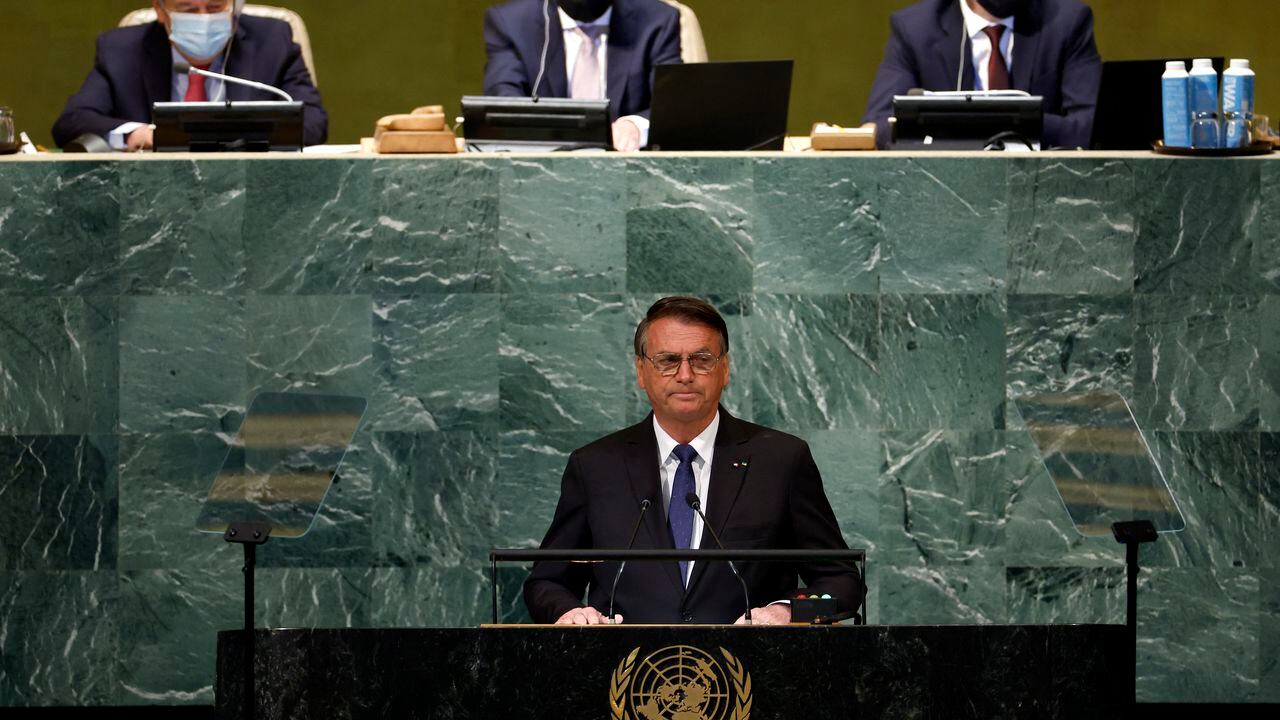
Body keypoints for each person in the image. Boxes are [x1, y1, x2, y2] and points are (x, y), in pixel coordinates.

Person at [523, 297, 863, 626]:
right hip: (626, 675)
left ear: (725, 368)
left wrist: (788, 612)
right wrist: (570, 614)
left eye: (701, 359)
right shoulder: (596, 467)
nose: (685, 375)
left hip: (753, 674)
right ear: (641, 371)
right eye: (667, 360)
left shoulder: (781, 461)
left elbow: (843, 584)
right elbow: (546, 583)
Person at [52, 0, 327, 150]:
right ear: (160, 10)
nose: (204, 18)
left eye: (216, 7)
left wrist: (227, 136)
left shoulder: (273, 40)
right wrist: (134, 134)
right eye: (188, 10)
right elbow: (72, 122)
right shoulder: (121, 49)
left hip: (253, 192)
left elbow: (313, 122)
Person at [862, 0, 1102, 148]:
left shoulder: (1067, 22)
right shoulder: (915, 29)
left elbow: (1092, 126)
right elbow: (879, 125)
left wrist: (995, 121)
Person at [482, 0, 682, 151]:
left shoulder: (657, 21)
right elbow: (504, 100)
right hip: (543, 172)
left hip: (631, 171)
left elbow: (672, 104)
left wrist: (634, 126)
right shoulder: (511, 23)